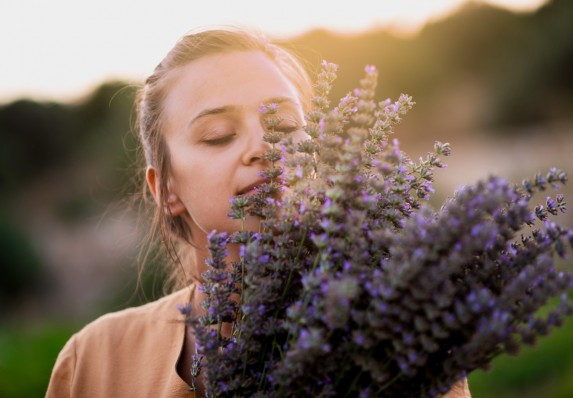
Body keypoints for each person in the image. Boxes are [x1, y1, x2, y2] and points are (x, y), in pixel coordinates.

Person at [46, 27, 471, 397]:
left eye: (285, 127)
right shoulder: (93, 362)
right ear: (166, 190)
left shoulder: (398, 338)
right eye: (218, 136)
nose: (265, 149)